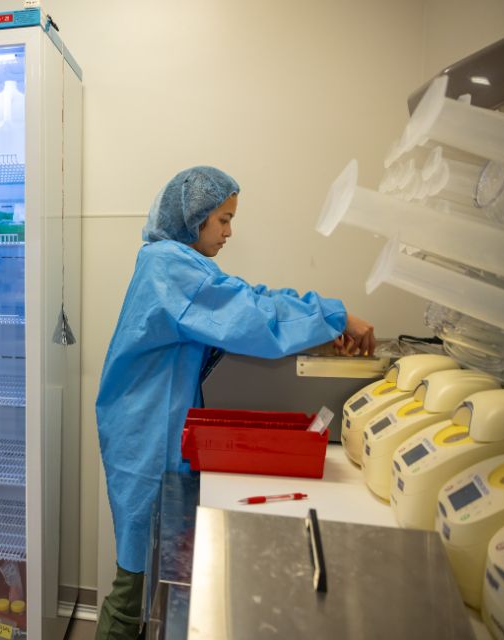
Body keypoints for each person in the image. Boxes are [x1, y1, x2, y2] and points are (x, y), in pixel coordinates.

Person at [94, 166, 375, 640]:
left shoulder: (182, 263)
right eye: (223, 220)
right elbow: (248, 315)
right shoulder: (170, 267)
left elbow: (249, 298)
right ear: (194, 217)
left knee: (151, 572)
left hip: (152, 425)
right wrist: (335, 315)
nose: (229, 232)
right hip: (145, 434)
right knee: (134, 581)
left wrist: (324, 327)